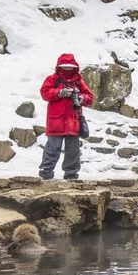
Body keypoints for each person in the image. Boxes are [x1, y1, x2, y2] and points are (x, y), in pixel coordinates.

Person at [39, 53, 93, 181]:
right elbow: (44, 93)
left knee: (72, 150)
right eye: (65, 66)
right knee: (53, 148)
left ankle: (71, 174)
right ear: (60, 67)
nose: (68, 69)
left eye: (70, 66)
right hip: (56, 121)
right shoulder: (52, 79)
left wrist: (81, 98)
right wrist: (59, 93)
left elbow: (90, 97)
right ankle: (46, 171)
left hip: (73, 120)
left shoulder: (79, 82)